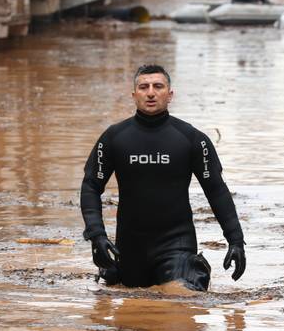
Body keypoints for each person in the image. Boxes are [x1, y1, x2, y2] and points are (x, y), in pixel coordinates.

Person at [80, 64, 246, 292]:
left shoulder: (192, 139)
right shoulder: (113, 138)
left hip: (176, 243)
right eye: (144, 87)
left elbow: (216, 190)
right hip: (129, 247)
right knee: (130, 313)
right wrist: (97, 235)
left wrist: (236, 240)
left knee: (180, 300)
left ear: (170, 95)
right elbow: (91, 186)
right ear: (134, 94)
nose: (150, 92)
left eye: (158, 86)